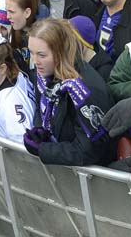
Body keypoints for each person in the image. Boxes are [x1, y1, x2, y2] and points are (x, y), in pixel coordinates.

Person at [24, 18, 115, 166]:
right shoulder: (46, 73)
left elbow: (88, 151)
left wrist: (44, 149)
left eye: (42, 55)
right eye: (31, 53)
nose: (35, 61)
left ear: (60, 52)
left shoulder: (86, 89)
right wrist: (40, 130)